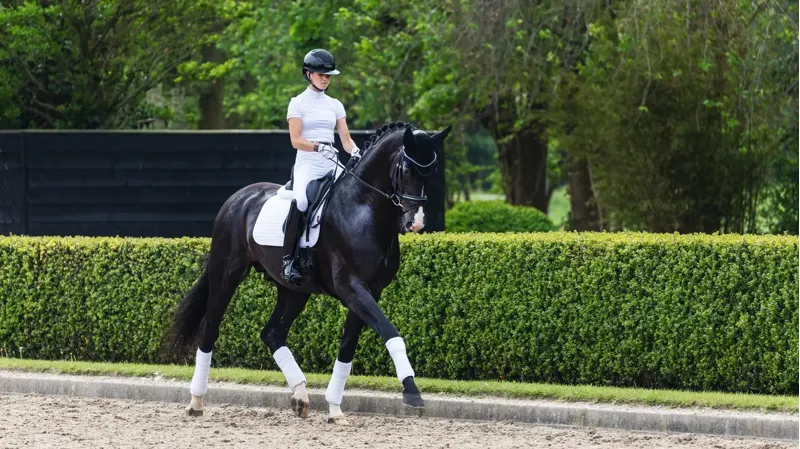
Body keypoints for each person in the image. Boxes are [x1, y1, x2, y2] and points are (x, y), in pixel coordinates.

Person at [282, 49, 361, 285]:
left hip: (331, 161)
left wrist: (355, 151)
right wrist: (318, 147)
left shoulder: (335, 104)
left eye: (328, 75)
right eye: (321, 74)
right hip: (308, 162)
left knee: (352, 195)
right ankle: (289, 260)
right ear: (308, 74)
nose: (326, 79)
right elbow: (296, 140)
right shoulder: (297, 103)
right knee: (302, 201)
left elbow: (345, 139)